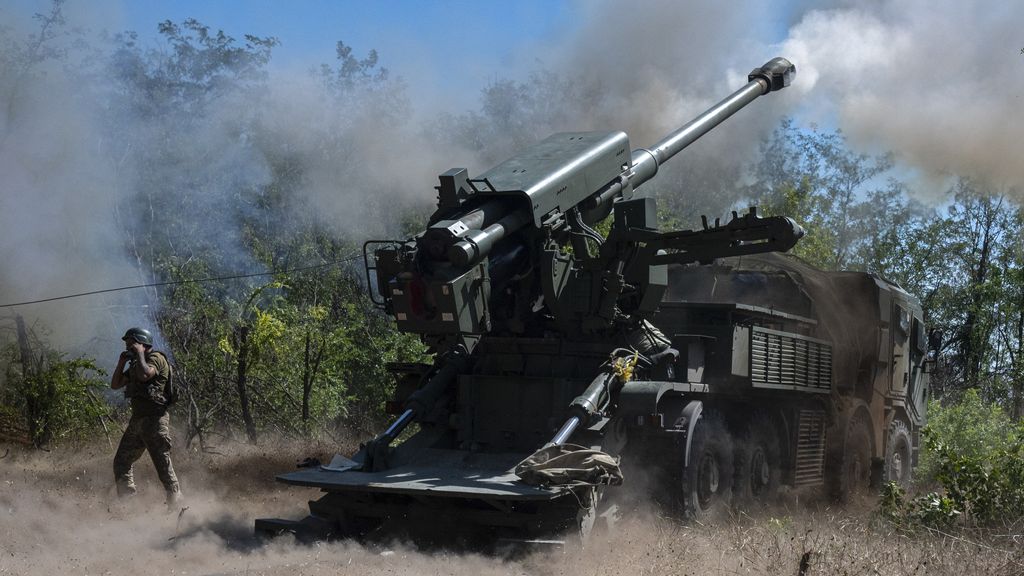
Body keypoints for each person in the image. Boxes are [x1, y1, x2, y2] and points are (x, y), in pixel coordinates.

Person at [110, 326, 182, 509]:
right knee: (121, 461)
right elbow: (115, 384)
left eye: (131, 343)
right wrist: (121, 362)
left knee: (162, 465)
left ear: (141, 343)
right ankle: (128, 504)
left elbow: (145, 375)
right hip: (138, 420)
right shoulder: (135, 364)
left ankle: (177, 506)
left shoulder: (156, 359)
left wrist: (140, 354)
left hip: (155, 420)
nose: (128, 347)